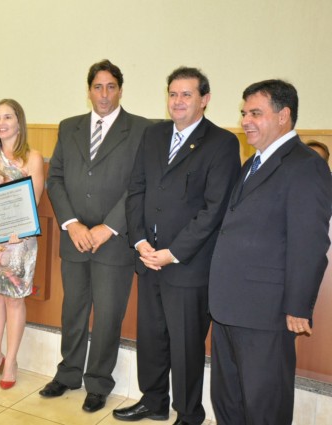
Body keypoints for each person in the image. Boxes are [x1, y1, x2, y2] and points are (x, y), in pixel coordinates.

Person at [117, 67, 240, 425]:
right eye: (173, 93)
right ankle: (153, 401)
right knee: (152, 338)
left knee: (186, 346)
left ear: (205, 99)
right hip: (149, 258)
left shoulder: (221, 143)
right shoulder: (153, 135)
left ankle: (188, 413)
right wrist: (139, 242)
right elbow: (135, 189)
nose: (178, 101)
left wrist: (172, 253)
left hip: (187, 265)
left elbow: (214, 209)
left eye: (187, 94)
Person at [209, 79, 332, 425]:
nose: (246, 120)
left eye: (256, 113)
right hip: (229, 307)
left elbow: (310, 243)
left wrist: (297, 305)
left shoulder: (305, 165)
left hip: (268, 312)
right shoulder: (253, 163)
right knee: (228, 400)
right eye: (244, 113)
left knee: (264, 406)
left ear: (284, 116)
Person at [42, 59, 150, 413]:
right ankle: (69, 373)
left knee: (107, 315)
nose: (104, 94)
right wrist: (71, 223)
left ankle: (99, 382)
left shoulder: (140, 130)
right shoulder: (68, 126)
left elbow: (139, 185)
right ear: (88, 90)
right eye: (97, 87)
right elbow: (55, 178)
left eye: (111, 87)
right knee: (72, 310)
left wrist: (107, 227)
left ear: (120, 90)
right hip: (74, 239)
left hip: (113, 242)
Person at [0, 99, 44, 389]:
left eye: (8, 117)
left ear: (19, 121)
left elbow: (34, 201)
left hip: (19, 242)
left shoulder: (33, 157)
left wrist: (17, 231)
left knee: (15, 299)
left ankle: (11, 360)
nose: (1, 123)